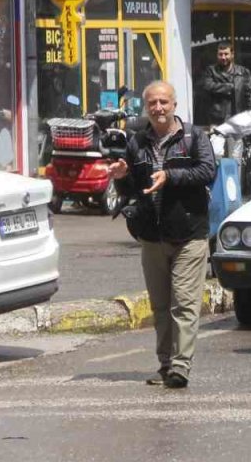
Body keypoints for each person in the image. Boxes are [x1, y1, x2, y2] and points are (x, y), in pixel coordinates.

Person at [106, 81, 216, 389]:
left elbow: (207, 172)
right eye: (152, 103)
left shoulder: (193, 137)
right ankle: (165, 364)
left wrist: (170, 176)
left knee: (184, 304)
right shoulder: (137, 142)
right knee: (160, 306)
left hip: (189, 235)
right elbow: (132, 189)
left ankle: (181, 366)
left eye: (163, 102)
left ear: (174, 105)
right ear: (146, 107)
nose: (158, 108)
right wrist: (121, 177)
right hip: (152, 236)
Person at [199, 42, 251, 126]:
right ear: (217, 55)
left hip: (238, 118)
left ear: (232, 55)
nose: (223, 57)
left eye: (226, 54)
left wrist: (249, 116)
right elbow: (207, 86)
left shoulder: (243, 72)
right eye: (220, 54)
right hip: (217, 119)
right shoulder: (211, 71)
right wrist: (229, 87)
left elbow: (249, 95)